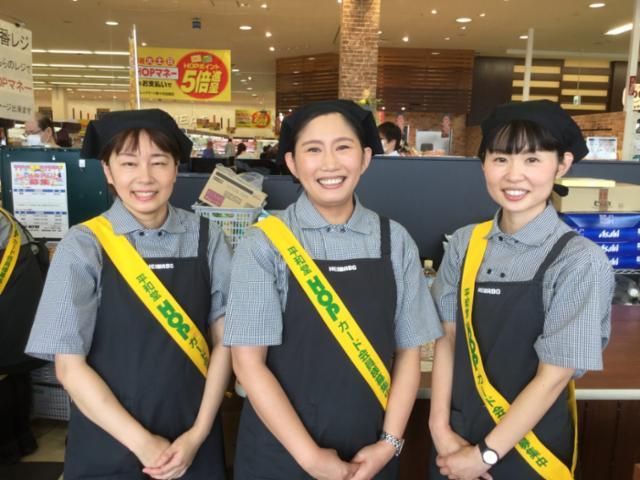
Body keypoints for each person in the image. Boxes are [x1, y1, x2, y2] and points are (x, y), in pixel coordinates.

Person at [224, 99, 442, 480]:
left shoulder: (394, 241)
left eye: (343, 147)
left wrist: (389, 444)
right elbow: (247, 364)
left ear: (365, 158)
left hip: (370, 455)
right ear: (292, 163)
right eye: (313, 150)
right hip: (279, 457)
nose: (329, 164)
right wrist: (310, 458)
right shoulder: (264, 244)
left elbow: (409, 352)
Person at [25, 108, 233, 480]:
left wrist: (198, 434)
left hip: (193, 438)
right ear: (108, 171)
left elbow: (226, 344)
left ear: (176, 168)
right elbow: (69, 367)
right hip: (108, 439)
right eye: (129, 163)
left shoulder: (208, 237)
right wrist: (144, 444)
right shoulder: (83, 245)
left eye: (159, 162)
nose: (145, 178)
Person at [429, 100, 615, 480]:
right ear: (484, 164)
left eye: (532, 159)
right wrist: (440, 429)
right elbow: (447, 337)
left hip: (532, 448)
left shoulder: (579, 260)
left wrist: (485, 455)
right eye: (500, 159)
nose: (514, 175)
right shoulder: (464, 243)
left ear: (562, 164)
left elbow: (554, 377)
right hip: (457, 438)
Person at [0, 208, 48, 464]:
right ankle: (22, 440)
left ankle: (8, 446)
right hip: (22, 315)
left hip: (7, 313)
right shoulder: (6, 218)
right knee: (17, 375)